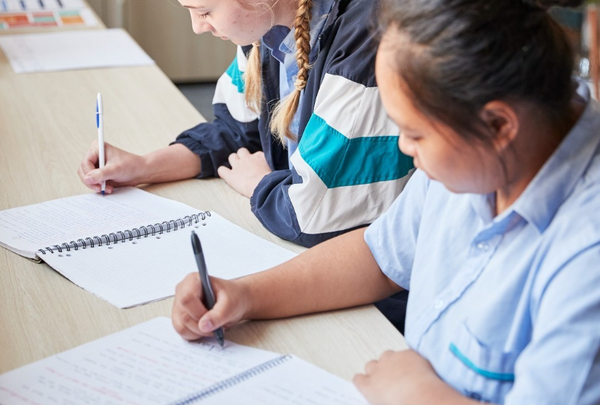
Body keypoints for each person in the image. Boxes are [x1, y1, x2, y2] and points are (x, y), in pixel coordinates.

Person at [171, 0, 600, 403]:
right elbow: (378, 256)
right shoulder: (480, 155)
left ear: (498, 125)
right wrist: (245, 295)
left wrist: (420, 395)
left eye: (414, 134)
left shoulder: (585, 253)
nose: (401, 146)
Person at [78, 0, 414, 249]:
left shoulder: (366, 40)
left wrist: (260, 184)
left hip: (386, 288)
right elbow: (237, 133)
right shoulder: (267, 26)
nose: (197, 26)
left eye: (205, 11)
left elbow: (316, 216)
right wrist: (146, 167)